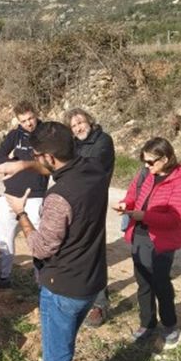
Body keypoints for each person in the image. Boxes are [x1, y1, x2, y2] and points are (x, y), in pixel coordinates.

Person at [3, 121, 109, 361]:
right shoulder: (95, 170)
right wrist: (25, 165)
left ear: (49, 157)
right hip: (91, 282)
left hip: (62, 286)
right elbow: (54, 166)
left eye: (38, 156)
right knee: (64, 341)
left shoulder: (58, 198)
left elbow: (40, 247)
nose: (37, 160)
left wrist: (21, 214)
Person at [115, 137, 181, 348]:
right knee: (143, 282)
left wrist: (144, 216)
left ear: (165, 159)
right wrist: (125, 204)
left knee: (160, 284)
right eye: (144, 161)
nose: (147, 166)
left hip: (161, 242)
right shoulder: (147, 175)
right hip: (139, 235)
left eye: (150, 162)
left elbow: (175, 219)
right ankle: (147, 323)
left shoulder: (180, 184)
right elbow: (133, 194)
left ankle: (169, 325)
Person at [66, 108, 116, 327]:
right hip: (73, 201)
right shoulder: (73, 145)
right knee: (75, 249)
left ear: (89, 121)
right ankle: (78, 295)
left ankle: (99, 305)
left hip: (94, 203)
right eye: (74, 125)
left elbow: (92, 166)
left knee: (95, 252)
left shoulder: (103, 141)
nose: (79, 127)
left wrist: (67, 167)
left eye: (81, 122)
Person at [0, 101, 47, 287]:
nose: (29, 123)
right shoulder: (14, 135)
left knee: (38, 240)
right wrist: (16, 160)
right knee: (3, 237)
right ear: (18, 121)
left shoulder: (47, 134)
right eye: (23, 121)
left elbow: (50, 163)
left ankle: (42, 281)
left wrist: (22, 162)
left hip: (35, 195)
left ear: (36, 114)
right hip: (10, 194)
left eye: (31, 118)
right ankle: (3, 276)